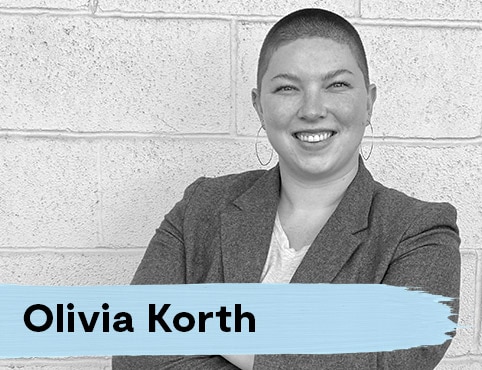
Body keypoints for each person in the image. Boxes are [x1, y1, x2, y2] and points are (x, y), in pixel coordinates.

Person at [112, 8, 460, 370]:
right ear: (259, 106)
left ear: (369, 102)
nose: (312, 110)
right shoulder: (200, 208)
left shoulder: (420, 231)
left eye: (336, 84)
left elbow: (382, 363)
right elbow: (135, 353)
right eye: (287, 88)